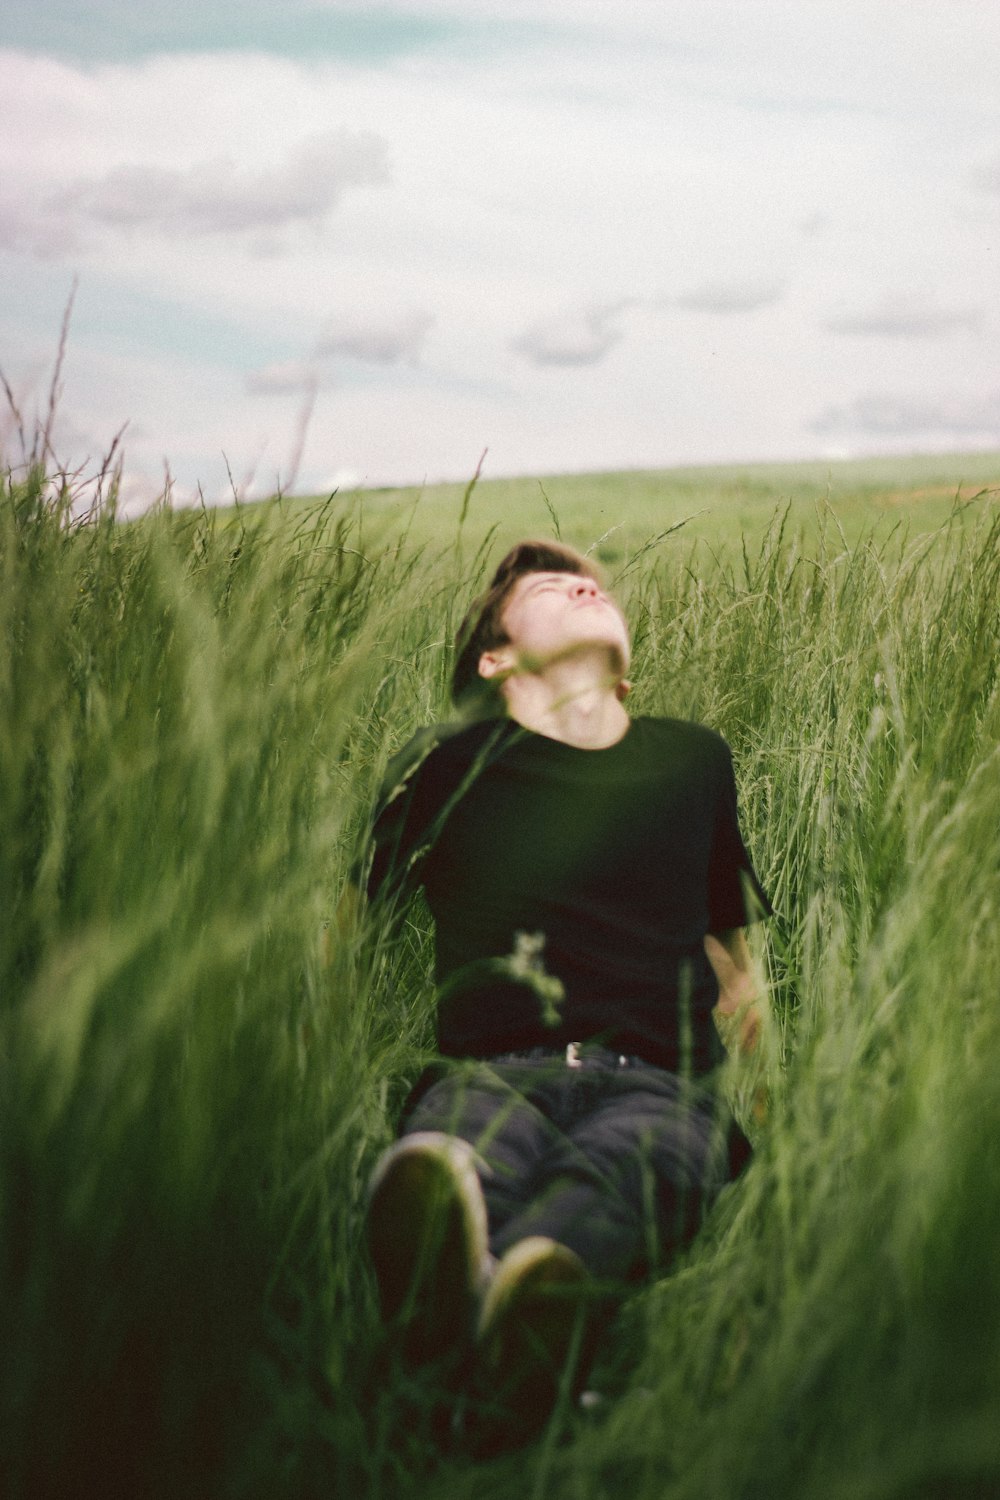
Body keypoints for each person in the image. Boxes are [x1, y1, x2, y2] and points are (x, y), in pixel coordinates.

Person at [357, 539, 771, 1448]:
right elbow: (348, 925)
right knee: (455, 1159)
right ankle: (514, 1330)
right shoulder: (444, 764)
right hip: (491, 1073)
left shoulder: (692, 760)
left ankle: (496, 1318)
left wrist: (776, 1112)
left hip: (661, 1086)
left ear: (626, 678)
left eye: (595, 586)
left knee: (628, 1164)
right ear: (494, 659)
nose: (588, 584)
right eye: (551, 586)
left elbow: (732, 961)